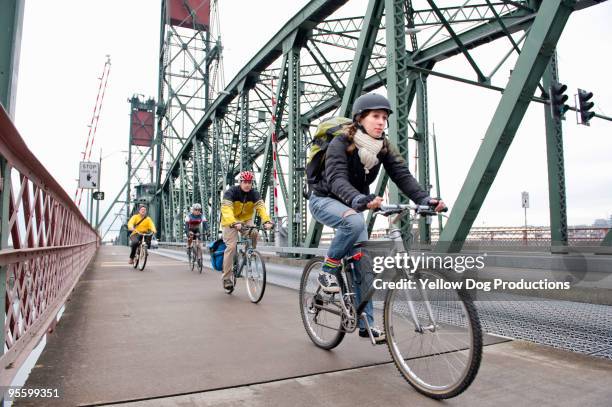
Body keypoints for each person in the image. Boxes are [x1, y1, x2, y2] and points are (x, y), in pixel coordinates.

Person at [308, 93, 446, 343]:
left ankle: (366, 324)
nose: (381, 122)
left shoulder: (383, 146)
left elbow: (402, 175)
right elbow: (337, 178)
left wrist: (424, 200)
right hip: (325, 200)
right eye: (375, 116)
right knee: (354, 222)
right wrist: (358, 199)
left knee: (364, 264)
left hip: (353, 202)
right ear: (360, 118)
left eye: (385, 117)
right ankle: (327, 269)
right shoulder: (340, 142)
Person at [220, 170, 274, 291]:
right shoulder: (231, 192)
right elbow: (226, 209)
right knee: (231, 247)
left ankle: (250, 253)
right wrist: (233, 222)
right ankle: (226, 278)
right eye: (245, 182)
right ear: (240, 182)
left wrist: (267, 221)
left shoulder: (254, 194)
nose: (247, 184)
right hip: (230, 221)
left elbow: (261, 208)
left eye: (250, 182)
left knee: (254, 232)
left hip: (245, 220)